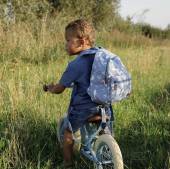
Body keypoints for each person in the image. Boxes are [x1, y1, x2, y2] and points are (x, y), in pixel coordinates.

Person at [43, 19, 111, 168]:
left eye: (68, 40)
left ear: (82, 41)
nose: (65, 45)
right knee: (103, 131)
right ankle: (107, 150)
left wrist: (50, 88)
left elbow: (59, 89)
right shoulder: (102, 57)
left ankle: (67, 163)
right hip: (105, 107)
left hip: (83, 110)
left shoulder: (76, 64)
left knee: (68, 133)